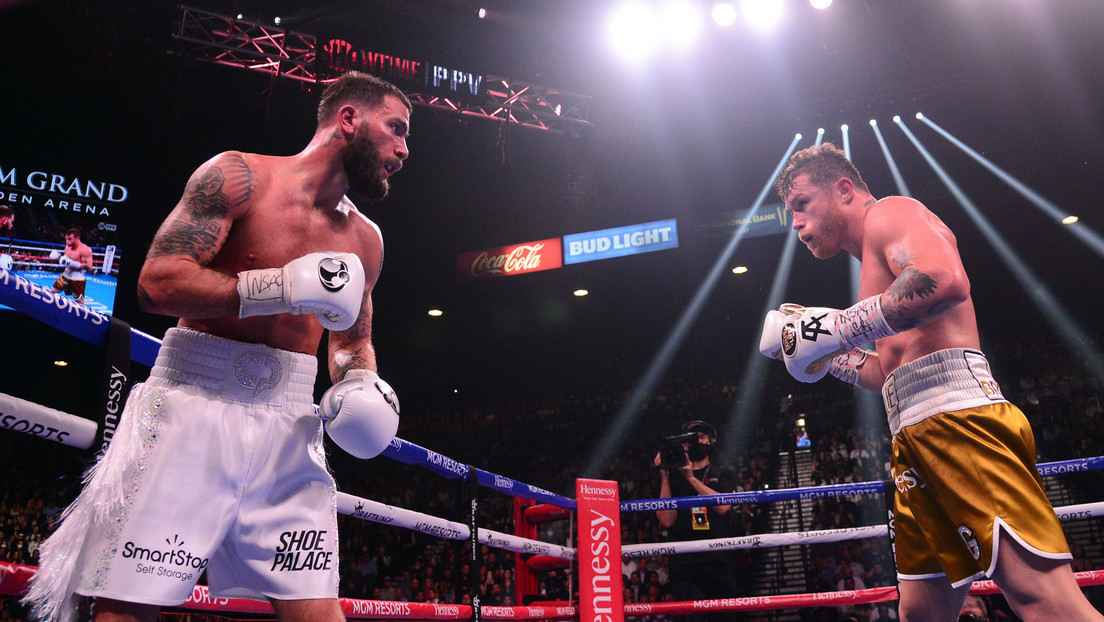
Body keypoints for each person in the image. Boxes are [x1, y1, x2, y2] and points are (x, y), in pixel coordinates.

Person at [23, 70, 411, 622]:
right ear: (348, 118)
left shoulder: (366, 240)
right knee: (127, 609)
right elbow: (157, 282)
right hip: (189, 405)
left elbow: (352, 340)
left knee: (319, 612)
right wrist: (277, 286)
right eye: (395, 128)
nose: (403, 147)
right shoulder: (239, 176)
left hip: (289, 426)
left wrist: (360, 382)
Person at [761, 143, 1103, 622]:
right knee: (920, 611)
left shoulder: (890, 214)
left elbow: (944, 279)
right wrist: (829, 355)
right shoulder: (872, 269)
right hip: (915, 433)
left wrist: (835, 328)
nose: (794, 223)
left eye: (801, 204)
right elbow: (890, 375)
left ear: (843, 190)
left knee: (1041, 599)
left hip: (958, 421)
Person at [653, 420, 742, 622]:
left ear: (710, 440)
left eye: (701, 436)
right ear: (684, 444)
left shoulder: (723, 472)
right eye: (691, 438)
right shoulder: (673, 479)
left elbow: (722, 507)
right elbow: (666, 520)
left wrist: (691, 478)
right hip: (685, 562)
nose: (697, 440)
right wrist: (665, 476)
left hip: (718, 559)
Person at [49, 227, 94, 306]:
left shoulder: (85, 250)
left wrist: (73, 263)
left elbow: (89, 267)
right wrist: (60, 258)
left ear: (77, 238)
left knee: (80, 304)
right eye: (66, 239)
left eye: (70, 239)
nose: (67, 241)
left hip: (77, 279)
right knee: (52, 293)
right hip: (65, 275)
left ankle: (83, 317)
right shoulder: (67, 248)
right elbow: (66, 261)